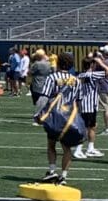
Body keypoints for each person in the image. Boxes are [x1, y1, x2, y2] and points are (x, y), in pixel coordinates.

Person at [35, 53, 87, 183]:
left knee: (51, 143)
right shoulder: (76, 80)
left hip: (54, 115)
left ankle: (52, 170)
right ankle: (64, 175)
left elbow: (44, 97)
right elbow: (79, 101)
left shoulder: (52, 77)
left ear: (58, 63)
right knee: (67, 147)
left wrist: (38, 114)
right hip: (69, 116)